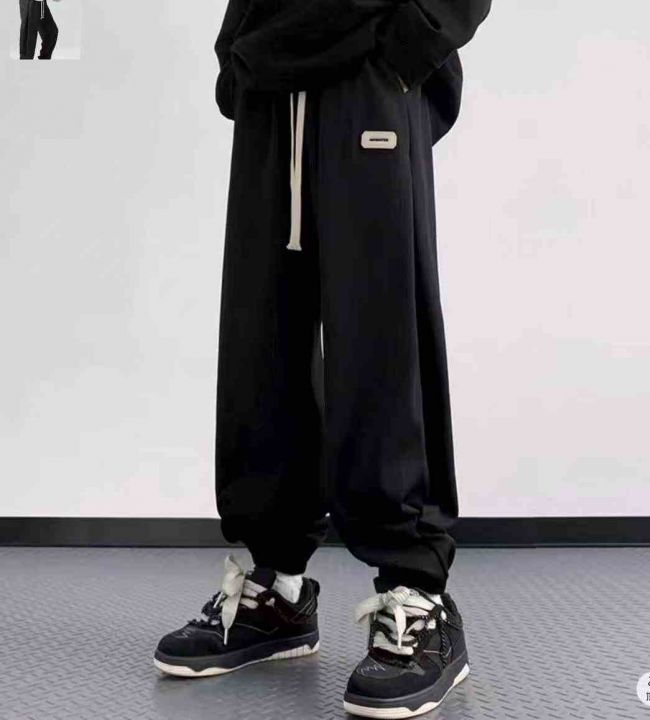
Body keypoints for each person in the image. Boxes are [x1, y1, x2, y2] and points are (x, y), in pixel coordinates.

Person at [154, 0, 491, 716]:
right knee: (259, 335)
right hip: (271, 80)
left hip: (371, 74)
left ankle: (417, 592)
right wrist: (236, 51)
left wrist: (410, 45)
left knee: (383, 335)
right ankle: (275, 589)